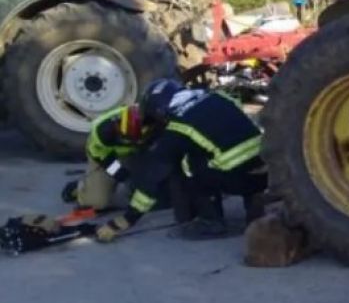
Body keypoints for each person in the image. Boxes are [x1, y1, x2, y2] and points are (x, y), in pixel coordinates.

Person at [94, 78, 268, 243]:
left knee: (188, 164)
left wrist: (124, 221)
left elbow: (152, 182)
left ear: (159, 110)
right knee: (221, 152)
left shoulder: (177, 128)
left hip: (236, 179)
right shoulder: (217, 96)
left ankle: (211, 222)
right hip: (266, 171)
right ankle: (254, 203)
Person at [61, 104, 153, 211]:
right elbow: (104, 158)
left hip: (141, 152)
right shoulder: (102, 131)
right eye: (127, 138)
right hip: (110, 157)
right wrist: (120, 174)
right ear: (118, 126)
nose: (131, 141)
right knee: (97, 202)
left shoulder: (155, 119)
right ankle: (81, 188)